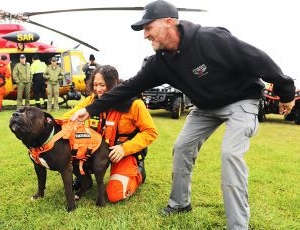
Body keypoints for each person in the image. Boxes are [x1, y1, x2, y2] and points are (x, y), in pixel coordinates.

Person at [70, 1, 296, 229]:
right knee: (182, 147)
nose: (145, 35)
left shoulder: (210, 39)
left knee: (230, 155)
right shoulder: (160, 63)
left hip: (241, 100)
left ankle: (238, 226)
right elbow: (128, 87)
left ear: (169, 22)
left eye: (148, 28)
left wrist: (286, 92)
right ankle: (179, 204)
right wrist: (88, 110)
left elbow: (258, 60)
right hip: (205, 107)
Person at [63, 65, 158, 202]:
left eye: (102, 85)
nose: (98, 89)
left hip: (121, 154)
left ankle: (139, 171)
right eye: (95, 85)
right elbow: (70, 116)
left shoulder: (134, 104)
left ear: (114, 83)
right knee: (70, 150)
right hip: (96, 152)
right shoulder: (91, 101)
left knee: (115, 194)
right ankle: (84, 179)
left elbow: (150, 132)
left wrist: (124, 149)